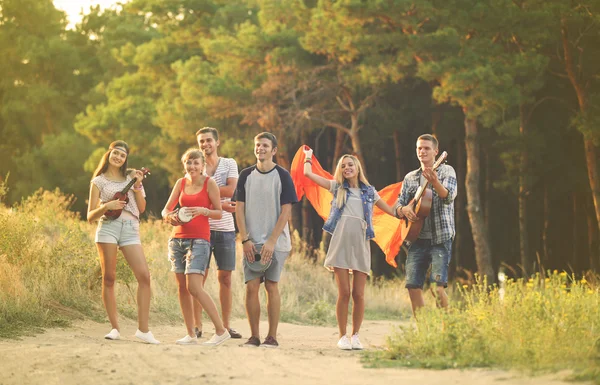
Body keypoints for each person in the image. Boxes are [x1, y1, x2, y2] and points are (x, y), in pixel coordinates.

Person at [302, 148, 398, 350]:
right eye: (343, 166)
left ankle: (355, 335)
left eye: (350, 165)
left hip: (361, 243)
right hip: (341, 242)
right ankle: (342, 336)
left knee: (359, 294)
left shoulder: (369, 191)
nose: (346, 168)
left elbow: (390, 210)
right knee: (344, 292)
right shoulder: (337, 187)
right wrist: (308, 158)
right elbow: (308, 174)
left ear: (357, 168)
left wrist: (407, 206)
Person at [87, 140, 160, 344]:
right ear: (109, 154)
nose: (118, 157)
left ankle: (143, 330)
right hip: (108, 228)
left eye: (122, 155)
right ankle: (115, 328)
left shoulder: (132, 177)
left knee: (144, 277)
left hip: (130, 229)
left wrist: (137, 185)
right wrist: (106, 206)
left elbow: (143, 208)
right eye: (115, 153)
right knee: (109, 278)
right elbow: (90, 216)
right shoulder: (98, 181)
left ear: (126, 159)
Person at [161, 149, 231, 346]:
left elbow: (218, 212)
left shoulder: (210, 183)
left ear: (203, 166)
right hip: (177, 240)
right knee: (182, 288)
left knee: (194, 287)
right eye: (188, 163)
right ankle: (190, 334)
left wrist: (203, 210)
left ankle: (220, 330)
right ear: (184, 165)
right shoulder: (180, 183)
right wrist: (169, 216)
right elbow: (165, 209)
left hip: (200, 240)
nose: (192, 167)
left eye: (196, 163)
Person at [235, 132, 298, 348]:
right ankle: (254, 336)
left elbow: (286, 211)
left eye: (265, 145)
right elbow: (239, 209)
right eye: (257, 145)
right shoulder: (245, 175)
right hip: (251, 241)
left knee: (271, 286)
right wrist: (245, 240)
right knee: (251, 287)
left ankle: (272, 337)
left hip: (277, 242)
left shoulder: (282, 176)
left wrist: (271, 241)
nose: (260, 148)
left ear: (274, 150)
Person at [394, 134, 457, 315]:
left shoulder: (446, 171)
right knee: (413, 287)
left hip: (440, 239)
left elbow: (449, 197)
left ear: (436, 152)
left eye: (427, 148)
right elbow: (397, 205)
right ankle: (424, 334)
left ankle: (449, 331)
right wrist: (403, 210)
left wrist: (435, 181)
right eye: (419, 148)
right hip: (416, 239)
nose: (422, 151)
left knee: (437, 288)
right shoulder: (410, 178)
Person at [191, 127, 242, 340]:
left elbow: (232, 190)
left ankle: (226, 326)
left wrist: (205, 190)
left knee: (226, 278)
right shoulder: (195, 165)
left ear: (217, 142)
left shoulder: (229, 163)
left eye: (209, 140)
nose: (205, 144)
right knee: (198, 278)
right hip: (201, 228)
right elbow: (189, 190)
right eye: (201, 141)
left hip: (225, 229)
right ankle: (197, 325)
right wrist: (211, 194)